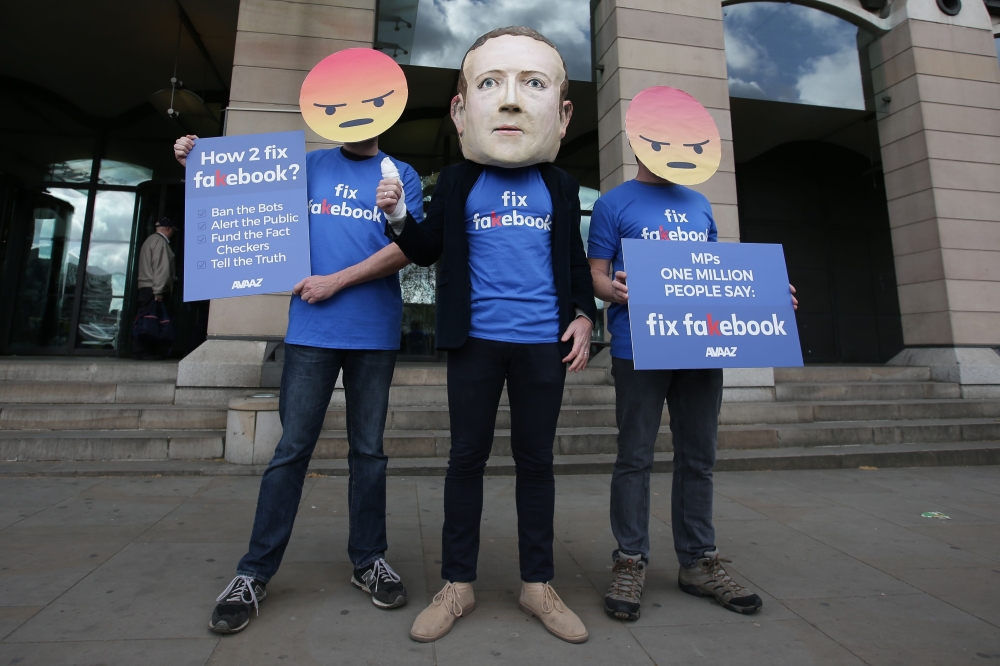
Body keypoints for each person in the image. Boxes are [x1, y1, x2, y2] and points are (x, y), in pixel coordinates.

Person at [323, 27, 596, 644]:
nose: (507, 101)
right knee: (465, 462)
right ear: (461, 108)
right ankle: (457, 585)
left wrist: (583, 315)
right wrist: (396, 215)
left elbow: (576, 266)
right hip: (474, 343)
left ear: (562, 112)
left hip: (540, 347)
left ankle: (538, 586)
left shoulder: (559, 185)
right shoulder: (457, 182)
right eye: (490, 84)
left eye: (531, 84)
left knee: (536, 464)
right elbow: (424, 250)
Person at [173, 131, 424, 634]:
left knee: (369, 453)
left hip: (373, 333)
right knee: (290, 451)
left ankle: (368, 560)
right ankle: (253, 572)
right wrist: (198, 166)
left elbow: (407, 251)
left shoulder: (401, 173)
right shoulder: (303, 166)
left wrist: (338, 279)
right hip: (311, 331)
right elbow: (245, 204)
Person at [587, 155, 798, 622]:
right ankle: (629, 561)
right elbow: (595, 273)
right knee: (634, 455)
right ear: (640, 143)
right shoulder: (612, 203)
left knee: (699, 457)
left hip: (701, 345)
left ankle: (699, 562)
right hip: (637, 345)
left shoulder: (700, 204)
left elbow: (714, 274)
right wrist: (613, 290)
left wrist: (767, 296)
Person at [133, 217, 178, 359]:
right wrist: (159, 291)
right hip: (153, 288)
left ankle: (140, 350)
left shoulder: (149, 241)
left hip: (144, 287)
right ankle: (147, 352)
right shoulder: (161, 243)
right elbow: (161, 269)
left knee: (145, 319)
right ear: (168, 229)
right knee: (153, 322)